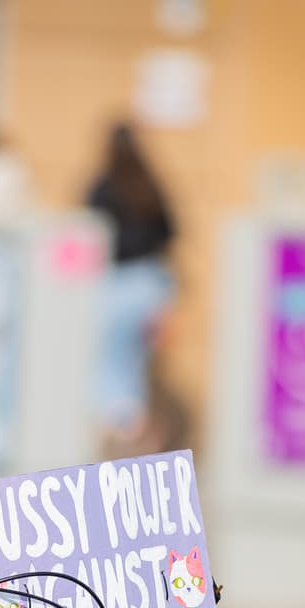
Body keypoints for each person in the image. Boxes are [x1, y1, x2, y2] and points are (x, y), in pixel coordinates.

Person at [84, 121, 179, 457]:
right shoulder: (151, 186)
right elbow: (170, 238)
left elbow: (87, 234)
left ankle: (118, 434)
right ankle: (135, 433)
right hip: (151, 286)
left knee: (109, 364)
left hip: (113, 285)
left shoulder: (101, 189)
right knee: (136, 366)